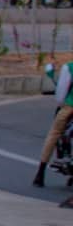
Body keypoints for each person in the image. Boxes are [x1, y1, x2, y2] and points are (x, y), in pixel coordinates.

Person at [37, 60, 73, 191]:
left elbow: (60, 94)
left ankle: (40, 172)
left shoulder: (69, 67)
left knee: (54, 133)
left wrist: (62, 102)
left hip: (70, 107)